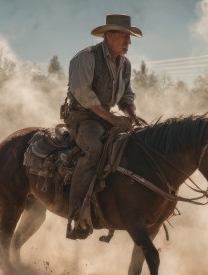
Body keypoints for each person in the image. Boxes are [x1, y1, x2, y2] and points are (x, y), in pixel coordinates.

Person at [63, 14, 142, 237]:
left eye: (130, 38)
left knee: (135, 145)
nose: (129, 42)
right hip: (82, 115)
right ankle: (78, 214)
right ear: (109, 35)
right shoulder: (86, 58)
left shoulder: (124, 64)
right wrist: (113, 119)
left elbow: (126, 94)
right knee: (94, 150)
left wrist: (131, 113)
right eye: (125, 37)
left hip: (105, 115)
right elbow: (84, 96)